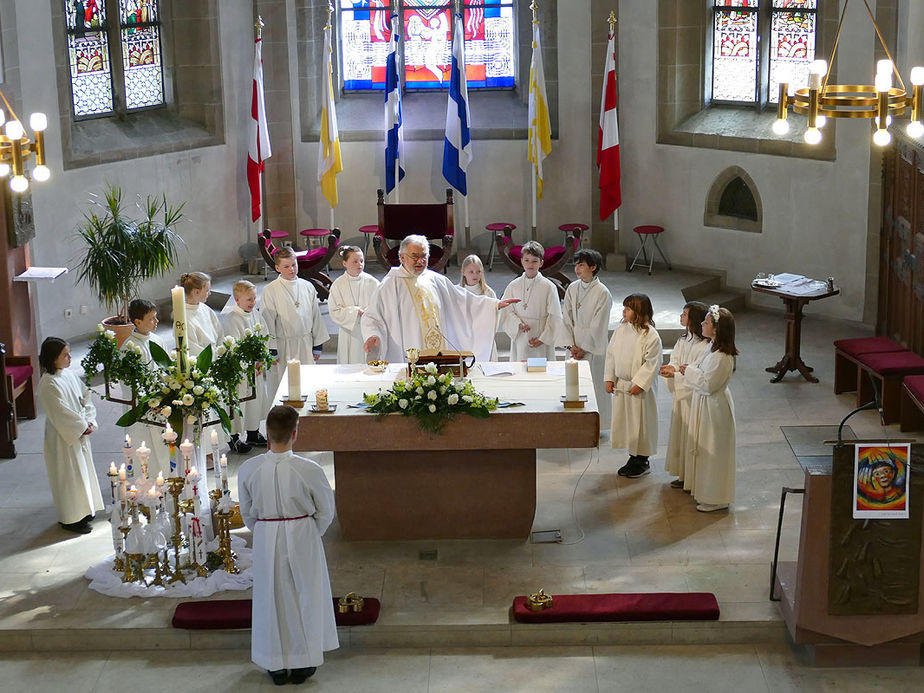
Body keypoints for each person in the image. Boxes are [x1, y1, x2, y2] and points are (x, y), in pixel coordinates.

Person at [238, 405, 338, 685]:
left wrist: (266, 531)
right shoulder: (309, 469)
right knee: (305, 595)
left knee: (272, 599)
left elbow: (247, 513)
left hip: (267, 534)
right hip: (302, 531)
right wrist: (308, 532)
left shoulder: (249, 469)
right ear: (295, 434)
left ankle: (276, 664)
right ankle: (305, 660)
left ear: (267, 434)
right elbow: (325, 510)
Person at [361, 235, 519, 363]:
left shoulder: (436, 280)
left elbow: (461, 301)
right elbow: (373, 316)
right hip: (407, 355)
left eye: (424, 256)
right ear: (402, 257)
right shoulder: (390, 284)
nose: (420, 261)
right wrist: (373, 335)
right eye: (414, 256)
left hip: (440, 355)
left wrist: (492, 305)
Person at [36, 337, 105, 534]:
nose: (69, 358)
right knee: (69, 478)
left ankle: (84, 513)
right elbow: (60, 412)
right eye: (65, 355)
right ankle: (71, 519)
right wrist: (82, 426)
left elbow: (86, 395)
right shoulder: (48, 384)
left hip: (79, 431)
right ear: (52, 358)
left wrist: (89, 420)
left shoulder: (67, 374)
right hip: (62, 438)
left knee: (82, 473)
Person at [679, 304, 737, 512]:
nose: (701, 324)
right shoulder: (711, 347)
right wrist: (690, 370)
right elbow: (698, 368)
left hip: (715, 409)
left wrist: (689, 372)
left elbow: (707, 384)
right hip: (705, 404)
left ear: (717, 329)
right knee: (704, 449)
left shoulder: (723, 357)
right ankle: (705, 491)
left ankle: (717, 497)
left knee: (714, 451)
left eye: (706, 322)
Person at [179, 272, 240, 453]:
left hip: (215, 362)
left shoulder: (205, 309)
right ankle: (203, 452)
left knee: (217, 408)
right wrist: (212, 357)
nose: (210, 293)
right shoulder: (183, 316)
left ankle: (214, 447)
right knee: (204, 411)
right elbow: (191, 348)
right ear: (196, 292)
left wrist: (222, 352)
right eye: (207, 290)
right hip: (201, 367)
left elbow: (219, 334)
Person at [604, 293, 662, 478]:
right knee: (627, 424)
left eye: (628, 309)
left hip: (639, 389)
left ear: (639, 312)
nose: (624, 312)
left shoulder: (651, 335)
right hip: (623, 384)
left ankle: (642, 460)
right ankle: (633, 456)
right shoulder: (621, 329)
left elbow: (652, 362)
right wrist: (610, 378)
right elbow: (611, 354)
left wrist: (640, 383)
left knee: (641, 423)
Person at [261, 247, 329, 391]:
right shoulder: (270, 290)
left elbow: (315, 315)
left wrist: (317, 345)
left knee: (307, 384)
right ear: (277, 268)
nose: (292, 269)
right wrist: (271, 349)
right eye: (286, 266)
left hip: (305, 343)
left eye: (294, 264)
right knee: (284, 386)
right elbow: (267, 321)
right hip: (283, 346)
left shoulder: (307, 286)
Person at [659, 301, 710, 490]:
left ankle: (693, 477)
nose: (681, 316)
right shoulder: (683, 340)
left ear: (694, 320)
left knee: (691, 438)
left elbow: (697, 371)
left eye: (685, 314)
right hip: (681, 399)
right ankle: (683, 474)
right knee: (680, 436)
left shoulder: (704, 346)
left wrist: (677, 374)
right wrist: (670, 369)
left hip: (693, 398)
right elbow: (676, 360)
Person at [562, 249, 613, 432]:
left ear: (593, 267)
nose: (577, 268)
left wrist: (584, 348)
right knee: (573, 387)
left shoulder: (602, 292)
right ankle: (574, 424)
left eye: (581, 264)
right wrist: (571, 345)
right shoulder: (573, 287)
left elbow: (599, 324)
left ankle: (596, 427)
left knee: (595, 388)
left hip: (592, 348)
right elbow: (566, 317)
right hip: (574, 345)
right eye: (576, 264)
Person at [121, 298, 170, 473]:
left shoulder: (157, 340)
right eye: (151, 319)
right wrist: (149, 402)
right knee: (145, 449)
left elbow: (166, 370)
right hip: (144, 408)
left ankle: (162, 479)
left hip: (161, 404)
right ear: (137, 322)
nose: (156, 322)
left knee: (162, 448)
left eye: (156, 317)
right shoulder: (130, 348)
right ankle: (145, 485)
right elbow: (130, 385)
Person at [221, 280, 269, 448]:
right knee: (238, 403)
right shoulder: (231, 319)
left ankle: (253, 432)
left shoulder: (255, 314)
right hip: (240, 371)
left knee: (255, 403)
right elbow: (232, 346)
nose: (253, 302)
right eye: (249, 299)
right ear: (237, 299)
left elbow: (264, 335)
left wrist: (261, 359)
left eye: (254, 298)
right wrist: (247, 364)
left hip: (255, 369)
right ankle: (233, 438)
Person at [499, 241, 565, 361]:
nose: (530, 264)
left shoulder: (549, 286)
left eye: (535, 261)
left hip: (540, 335)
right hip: (520, 335)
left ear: (541, 263)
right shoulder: (513, 285)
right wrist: (518, 324)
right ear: (521, 261)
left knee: (540, 373)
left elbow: (555, 315)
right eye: (527, 260)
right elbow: (507, 310)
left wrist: (543, 338)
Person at [327, 246, 380, 364]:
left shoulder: (373, 282)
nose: (359, 264)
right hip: (349, 333)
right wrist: (356, 312)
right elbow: (334, 311)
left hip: (368, 331)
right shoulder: (338, 284)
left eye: (362, 261)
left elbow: (381, 305)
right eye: (355, 261)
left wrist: (369, 312)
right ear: (345, 263)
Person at [458, 254, 498, 360]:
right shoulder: (456, 292)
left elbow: (495, 318)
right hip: (463, 340)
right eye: (471, 272)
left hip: (484, 340)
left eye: (478, 271)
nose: (475, 275)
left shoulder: (488, 293)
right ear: (463, 272)